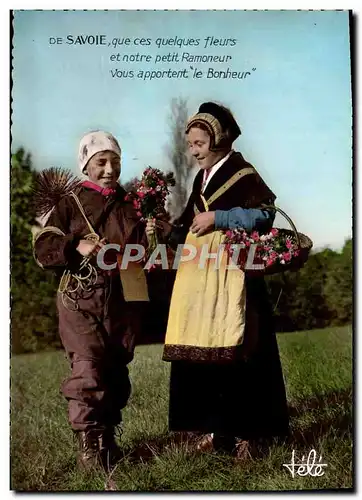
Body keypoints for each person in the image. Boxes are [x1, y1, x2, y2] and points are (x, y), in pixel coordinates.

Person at [150, 102, 289, 460]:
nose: (193, 151)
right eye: (191, 144)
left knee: (241, 347)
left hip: (235, 272)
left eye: (198, 144)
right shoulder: (201, 177)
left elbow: (266, 215)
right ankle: (217, 431)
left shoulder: (243, 173)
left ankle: (253, 435)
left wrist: (221, 217)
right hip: (201, 274)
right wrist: (163, 227)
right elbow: (186, 224)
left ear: (219, 139)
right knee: (205, 346)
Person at [33, 130, 153, 471]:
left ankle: (108, 441)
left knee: (115, 369)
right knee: (87, 368)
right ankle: (88, 447)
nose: (109, 169)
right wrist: (76, 245)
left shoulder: (131, 203)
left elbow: (143, 250)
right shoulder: (70, 202)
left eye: (115, 161)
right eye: (101, 162)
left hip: (123, 298)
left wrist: (155, 231)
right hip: (80, 298)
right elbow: (44, 247)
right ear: (86, 165)